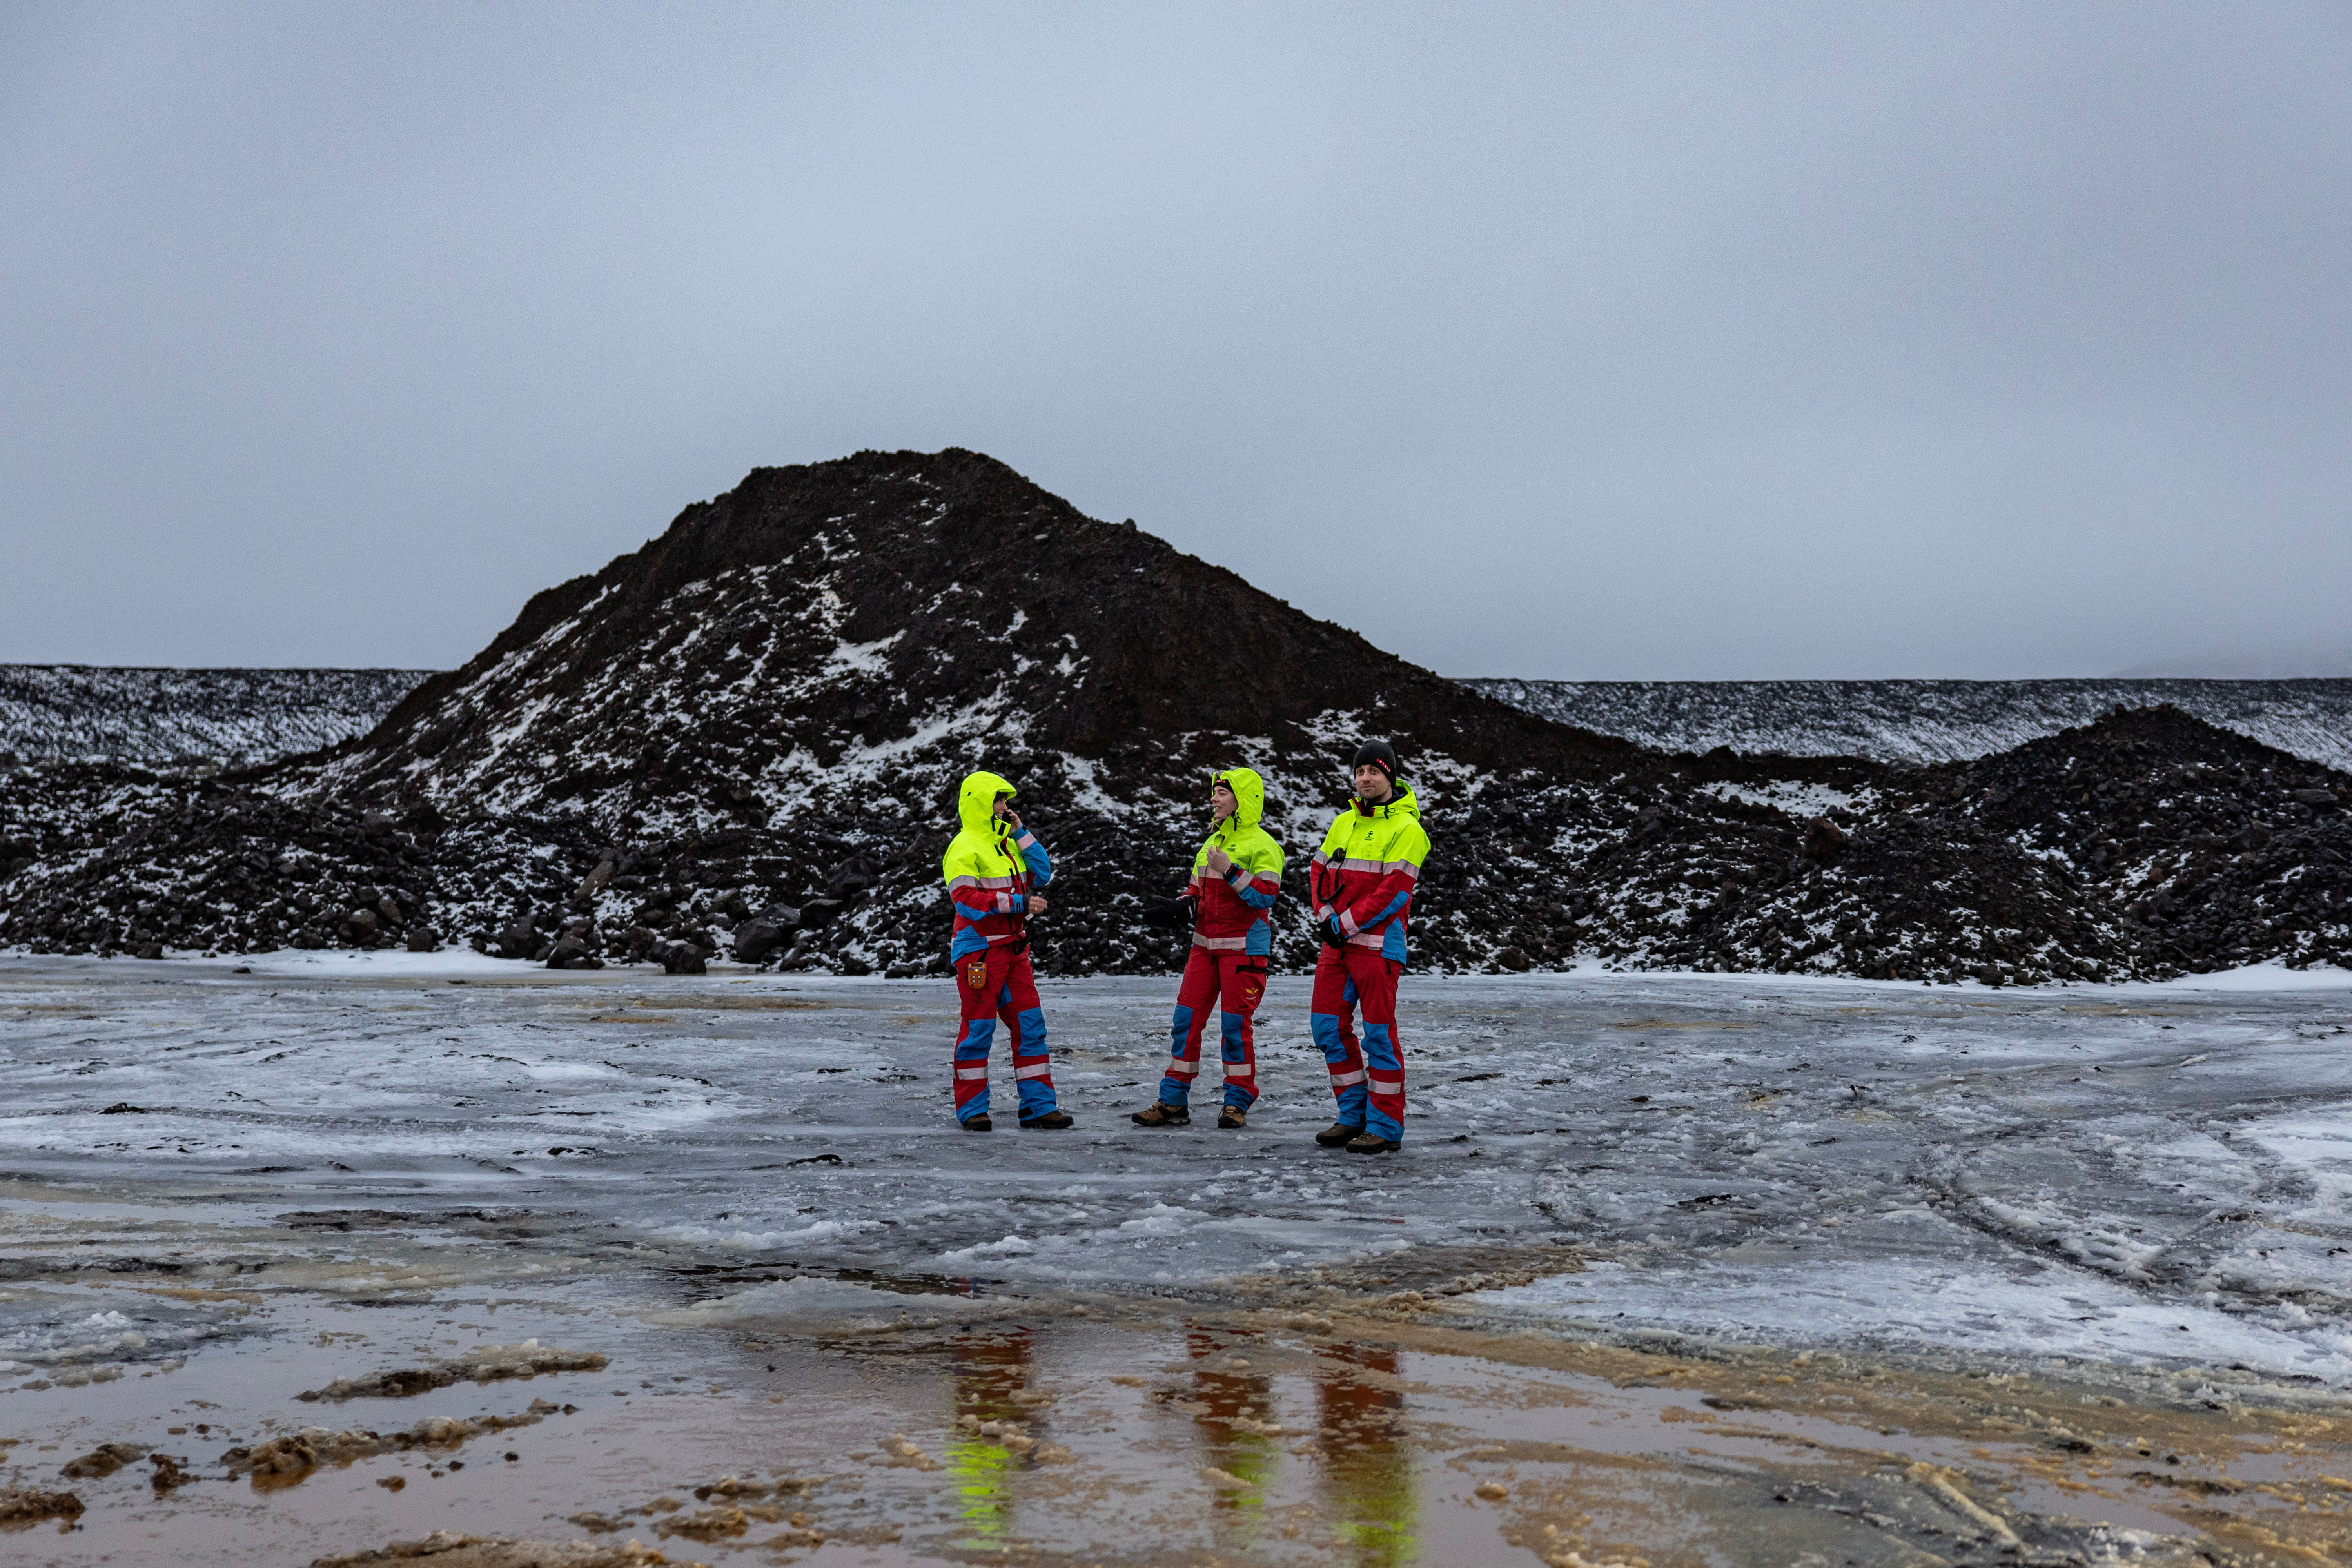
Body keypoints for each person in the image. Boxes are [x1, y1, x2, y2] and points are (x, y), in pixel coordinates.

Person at [1132, 768, 1284, 1131]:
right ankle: (1173, 1102)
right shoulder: (1209, 844)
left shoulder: (1264, 845)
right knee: (1185, 1022)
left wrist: (1231, 870)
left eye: (1221, 793)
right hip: (1203, 949)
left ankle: (1237, 1102)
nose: (1213, 799)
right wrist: (1181, 906)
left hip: (1243, 951)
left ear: (1242, 801)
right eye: (1214, 793)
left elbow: (1266, 895)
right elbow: (1196, 892)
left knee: (1235, 1027)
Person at [1306, 740, 1429, 1153]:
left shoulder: (1409, 830)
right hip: (1337, 945)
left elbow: (1394, 892)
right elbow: (1318, 870)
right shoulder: (1343, 822)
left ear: (1390, 776)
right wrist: (1324, 916)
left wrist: (1342, 923)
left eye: (1373, 771)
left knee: (1378, 1035)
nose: (1365, 779)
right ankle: (1352, 1115)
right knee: (1326, 1028)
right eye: (1359, 772)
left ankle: (1385, 1125)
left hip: (1378, 947)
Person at [941, 770, 1072, 1131]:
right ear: (980, 803)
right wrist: (1019, 904)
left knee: (1031, 1026)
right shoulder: (963, 847)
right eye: (999, 800)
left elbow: (1042, 873)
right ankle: (972, 1110)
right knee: (978, 1029)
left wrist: (1020, 832)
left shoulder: (1008, 844)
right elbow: (966, 902)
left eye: (1006, 802)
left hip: (1014, 951)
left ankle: (1038, 1107)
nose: (1004, 807)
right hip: (979, 953)